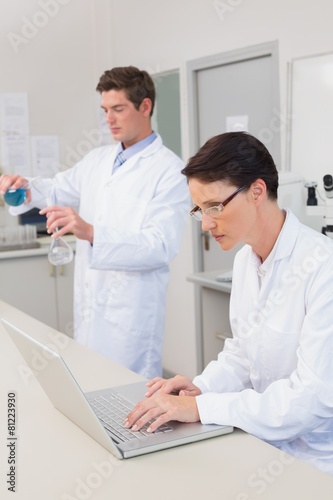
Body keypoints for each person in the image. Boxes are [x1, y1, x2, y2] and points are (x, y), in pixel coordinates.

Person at [124, 131, 333, 476]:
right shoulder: (245, 261)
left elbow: (311, 399)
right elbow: (241, 354)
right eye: (199, 210)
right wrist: (199, 389)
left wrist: (202, 409)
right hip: (261, 442)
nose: (205, 224)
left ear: (257, 191)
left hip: (315, 461)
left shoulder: (322, 268)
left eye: (215, 207)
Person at [0, 66, 189, 379]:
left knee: (127, 405)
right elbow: (57, 188)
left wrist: (90, 232)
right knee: (88, 388)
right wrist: (25, 186)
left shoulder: (169, 171)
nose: (109, 120)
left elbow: (160, 246)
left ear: (145, 107)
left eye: (118, 109)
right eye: (105, 110)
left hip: (130, 318)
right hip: (91, 307)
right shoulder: (97, 160)